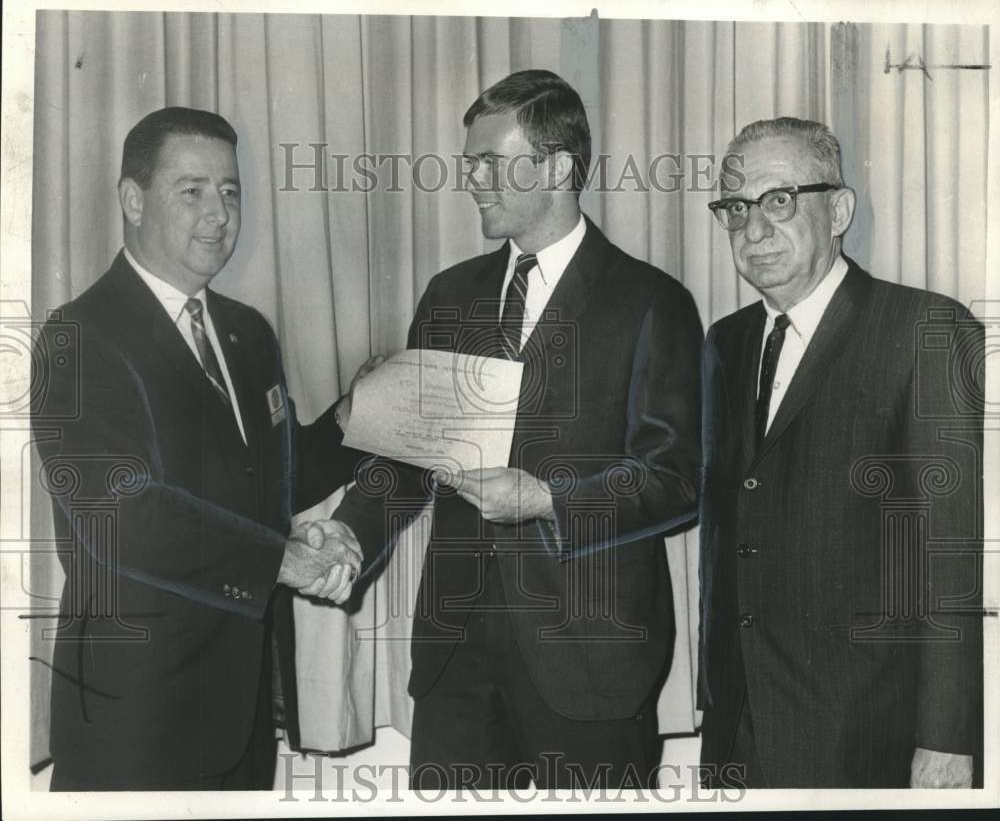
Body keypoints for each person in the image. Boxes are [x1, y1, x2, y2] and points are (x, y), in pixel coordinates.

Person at [335, 70, 703, 789]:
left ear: (560, 167)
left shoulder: (652, 302)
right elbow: (409, 457)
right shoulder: (450, 294)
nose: (471, 179)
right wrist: (350, 532)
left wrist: (548, 500)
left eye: (490, 162)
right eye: (469, 161)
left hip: (592, 662)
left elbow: (678, 481)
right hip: (454, 660)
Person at [32, 106, 373, 790]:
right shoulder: (79, 338)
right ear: (132, 200)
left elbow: (275, 479)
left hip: (243, 713)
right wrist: (286, 562)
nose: (218, 213)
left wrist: (365, 414)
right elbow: (123, 515)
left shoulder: (247, 333)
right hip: (134, 725)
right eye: (192, 191)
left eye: (230, 191)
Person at [698, 117, 983, 788]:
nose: (754, 230)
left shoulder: (925, 330)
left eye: (778, 200)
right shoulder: (727, 342)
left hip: (866, 731)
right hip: (738, 724)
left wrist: (946, 740)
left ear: (839, 210)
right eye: (735, 208)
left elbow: (949, 553)